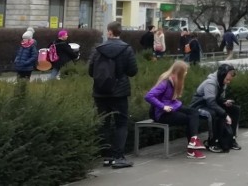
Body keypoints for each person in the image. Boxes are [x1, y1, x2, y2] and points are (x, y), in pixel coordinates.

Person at [88, 21, 138, 169]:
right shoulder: (127, 49)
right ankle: (119, 157)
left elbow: (91, 71)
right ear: (119, 32)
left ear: (109, 32)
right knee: (121, 124)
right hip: (120, 93)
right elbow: (132, 71)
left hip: (100, 92)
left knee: (104, 123)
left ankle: (107, 156)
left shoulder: (98, 49)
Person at [144, 61, 206, 159]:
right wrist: (162, 106)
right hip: (161, 114)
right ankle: (192, 150)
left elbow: (171, 99)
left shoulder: (175, 80)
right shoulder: (166, 82)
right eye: (185, 71)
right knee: (188, 118)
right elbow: (149, 96)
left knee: (194, 112)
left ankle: (193, 141)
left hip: (173, 107)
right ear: (179, 72)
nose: (186, 73)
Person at [192, 63, 241, 153]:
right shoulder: (210, 83)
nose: (228, 82)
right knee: (215, 113)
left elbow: (218, 99)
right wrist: (225, 115)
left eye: (230, 80)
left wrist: (224, 101)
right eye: (227, 80)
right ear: (222, 75)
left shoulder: (222, 81)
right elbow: (211, 103)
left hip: (210, 103)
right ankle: (212, 142)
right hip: (199, 106)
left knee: (235, 109)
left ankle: (231, 139)